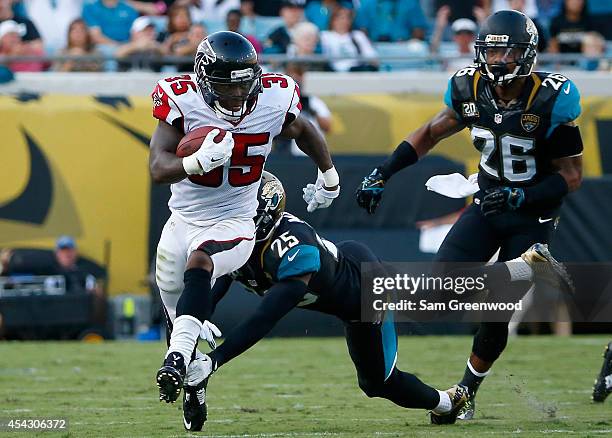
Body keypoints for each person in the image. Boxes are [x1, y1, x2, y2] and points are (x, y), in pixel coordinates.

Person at [186, 171, 573, 427]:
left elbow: (266, 316)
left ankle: (521, 270)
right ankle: (449, 403)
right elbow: (221, 273)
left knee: (419, 314)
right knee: (379, 378)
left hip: (360, 290)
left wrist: (215, 359)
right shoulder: (245, 243)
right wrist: (196, 321)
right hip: (347, 274)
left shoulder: (292, 249)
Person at [356, 10, 583, 422]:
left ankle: (466, 391)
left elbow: (571, 176)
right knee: (442, 282)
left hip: (532, 210)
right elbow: (430, 131)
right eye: (491, 52)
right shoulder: (469, 86)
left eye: (507, 52)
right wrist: (383, 172)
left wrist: (521, 195)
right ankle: (513, 271)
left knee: (496, 312)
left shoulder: (551, 97)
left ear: (527, 53)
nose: (496, 61)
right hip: (489, 196)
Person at [149, 31, 340, 431]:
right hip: (182, 217)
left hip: (236, 217)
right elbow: (156, 168)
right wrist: (195, 163)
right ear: (203, 80)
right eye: (226, 87)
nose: (237, 96)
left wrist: (329, 174)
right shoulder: (181, 98)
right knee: (173, 305)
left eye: (243, 85)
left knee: (200, 263)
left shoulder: (274, 96)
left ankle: (176, 359)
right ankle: (192, 380)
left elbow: (303, 130)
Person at [320, 6, 378, 72]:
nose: (344, 21)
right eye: (341, 18)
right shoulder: (324, 36)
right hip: (332, 72)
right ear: (333, 20)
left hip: (355, 72)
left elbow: (372, 57)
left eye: (347, 18)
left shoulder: (358, 35)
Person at [355, 0, 427, 42]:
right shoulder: (367, 3)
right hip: (374, 48)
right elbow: (362, 31)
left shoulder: (411, 3)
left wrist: (407, 43)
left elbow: (419, 31)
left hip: (402, 49)